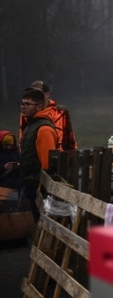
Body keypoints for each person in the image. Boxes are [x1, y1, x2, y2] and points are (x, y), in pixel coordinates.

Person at [19, 88, 57, 222]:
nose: (23, 107)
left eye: (27, 104)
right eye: (22, 104)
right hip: (29, 182)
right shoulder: (30, 125)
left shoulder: (43, 129)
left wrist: (41, 189)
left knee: (42, 222)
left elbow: (47, 163)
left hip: (38, 187)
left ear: (40, 106)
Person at [19, 80, 77, 152]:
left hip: (60, 155)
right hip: (35, 153)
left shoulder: (59, 111)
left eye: (38, 93)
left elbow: (69, 136)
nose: (34, 94)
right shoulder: (27, 112)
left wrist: (72, 153)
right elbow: (23, 135)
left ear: (47, 94)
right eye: (32, 92)